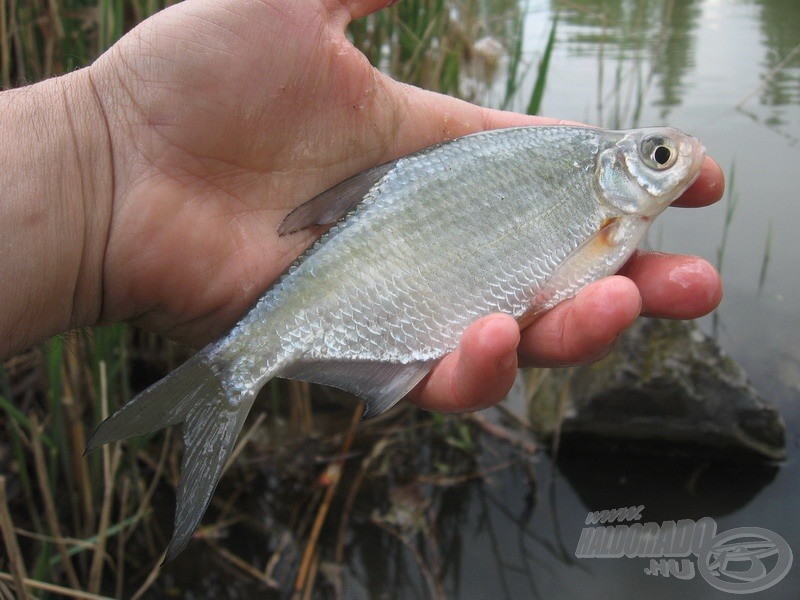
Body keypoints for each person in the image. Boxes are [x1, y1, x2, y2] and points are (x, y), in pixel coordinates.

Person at [0, 0, 723, 413]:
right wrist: (95, 147)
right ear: (617, 172)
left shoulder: (604, 207)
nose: (673, 160)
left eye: (658, 156)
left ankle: (242, 367)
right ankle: (235, 368)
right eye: (658, 156)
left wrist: (96, 161)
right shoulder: (602, 204)